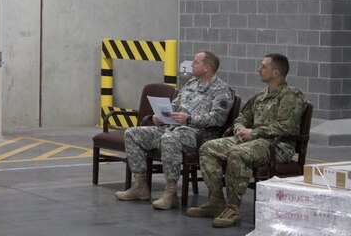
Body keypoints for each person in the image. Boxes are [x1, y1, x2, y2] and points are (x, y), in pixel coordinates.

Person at [186, 53, 306, 228]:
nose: (259, 69)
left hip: (277, 145)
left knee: (238, 153)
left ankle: (232, 209)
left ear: (276, 72)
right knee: (208, 148)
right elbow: (242, 116)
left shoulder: (292, 96)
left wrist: (254, 132)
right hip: (252, 140)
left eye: (263, 66)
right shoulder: (260, 96)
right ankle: (216, 200)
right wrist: (240, 129)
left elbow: (286, 127)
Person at [116, 51, 234, 210]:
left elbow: (218, 119)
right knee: (132, 133)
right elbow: (175, 105)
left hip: (198, 135)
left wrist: (189, 119)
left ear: (207, 67)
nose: (192, 65)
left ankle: (171, 193)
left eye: (196, 62)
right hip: (173, 128)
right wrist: (162, 116)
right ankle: (140, 186)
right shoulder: (191, 84)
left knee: (170, 139)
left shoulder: (222, 90)